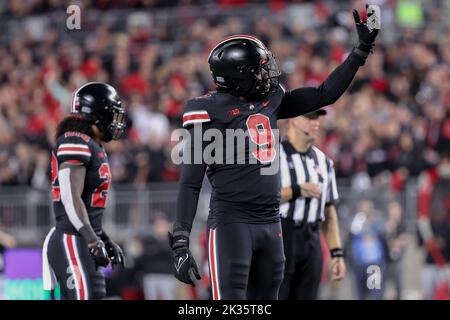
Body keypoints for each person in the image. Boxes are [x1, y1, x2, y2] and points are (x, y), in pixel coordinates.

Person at [169, 7, 380, 299]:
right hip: (233, 223)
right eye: (259, 69)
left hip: (271, 222)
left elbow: (323, 95)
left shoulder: (272, 98)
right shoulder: (205, 110)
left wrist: (361, 50)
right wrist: (181, 240)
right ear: (239, 76)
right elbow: (191, 182)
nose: (267, 74)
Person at [42, 82, 127, 300]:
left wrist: (103, 238)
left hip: (80, 239)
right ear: (99, 114)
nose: (117, 122)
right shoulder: (75, 140)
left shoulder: (91, 144)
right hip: (72, 239)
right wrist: (91, 238)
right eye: (114, 115)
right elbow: (71, 197)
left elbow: (85, 204)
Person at [277, 110, 346, 300]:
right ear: (292, 119)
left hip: (312, 238)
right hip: (282, 235)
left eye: (317, 118)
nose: (315, 123)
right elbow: (259, 199)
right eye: (309, 117)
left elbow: (329, 211)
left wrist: (336, 253)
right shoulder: (273, 156)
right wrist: (296, 190)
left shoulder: (324, 162)